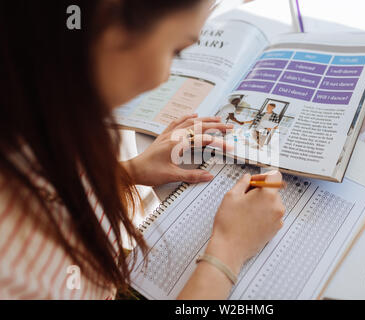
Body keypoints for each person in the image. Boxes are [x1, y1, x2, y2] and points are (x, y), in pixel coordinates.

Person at [0, 0, 285, 299]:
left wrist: (126, 173)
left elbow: (48, 188)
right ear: (111, 25)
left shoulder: (35, 116)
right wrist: (228, 251)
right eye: (176, 50)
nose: (166, 76)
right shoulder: (16, 272)